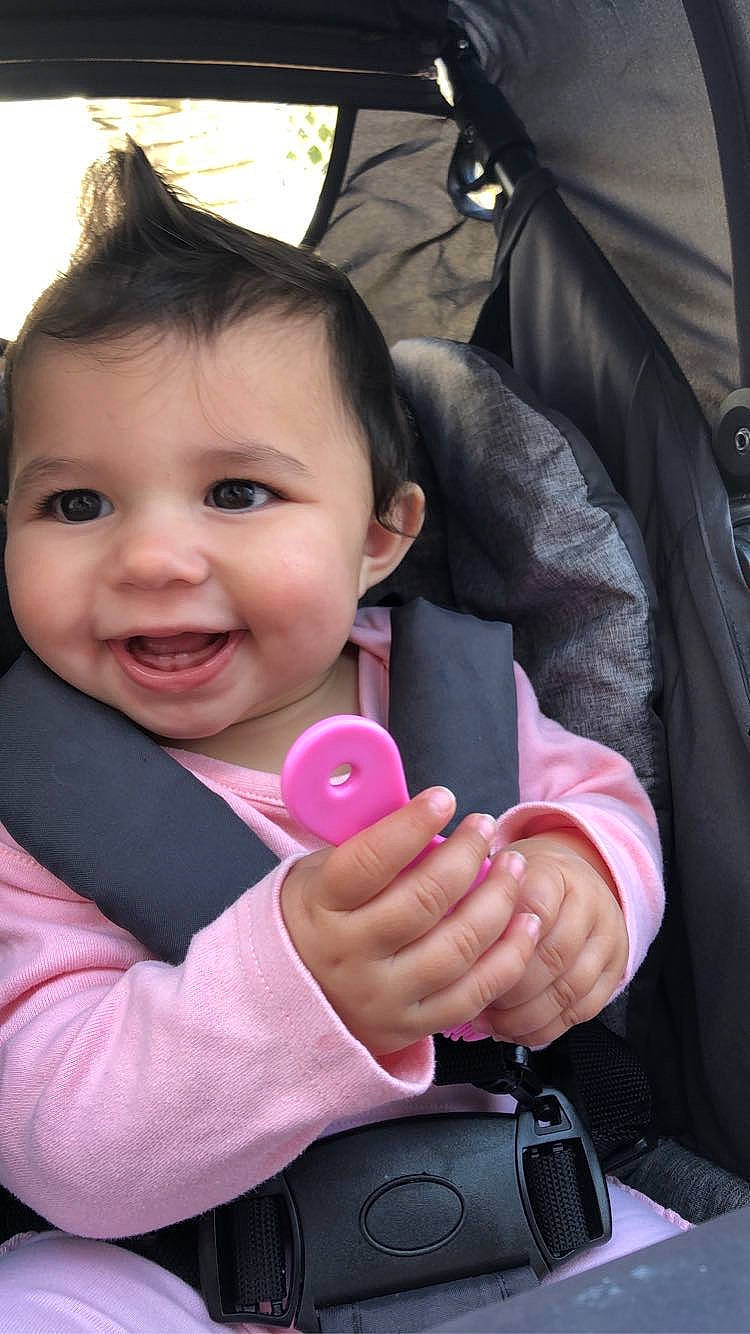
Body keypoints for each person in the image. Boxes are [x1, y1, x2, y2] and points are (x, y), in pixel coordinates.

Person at [0, 143, 686, 1333]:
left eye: (237, 492)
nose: (151, 556)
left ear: (379, 533)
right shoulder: (32, 803)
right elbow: (59, 1143)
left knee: (686, 1277)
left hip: (508, 1195)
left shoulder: (456, 688)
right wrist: (297, 992)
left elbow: (604, 803)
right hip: (174, 1259)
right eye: (76, 504)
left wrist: (578, 888)